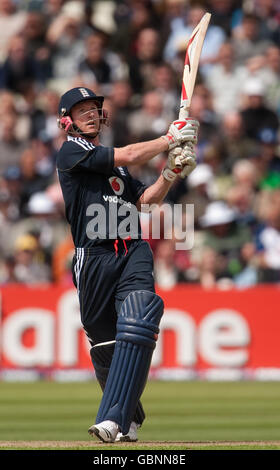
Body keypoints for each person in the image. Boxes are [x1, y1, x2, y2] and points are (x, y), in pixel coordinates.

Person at [56, 86, 199, 443]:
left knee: (139, 317)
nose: (90, 113)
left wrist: (171, 171)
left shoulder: (115, 164)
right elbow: (134, 152)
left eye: (94, 108)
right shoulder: (72, 152)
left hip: (131, 248)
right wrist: (170, 138)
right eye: (81, 109)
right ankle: (129, 418)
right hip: (94, 256)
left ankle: (109, 419)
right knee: (107, 347)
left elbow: (146, 202)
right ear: (67, 121)